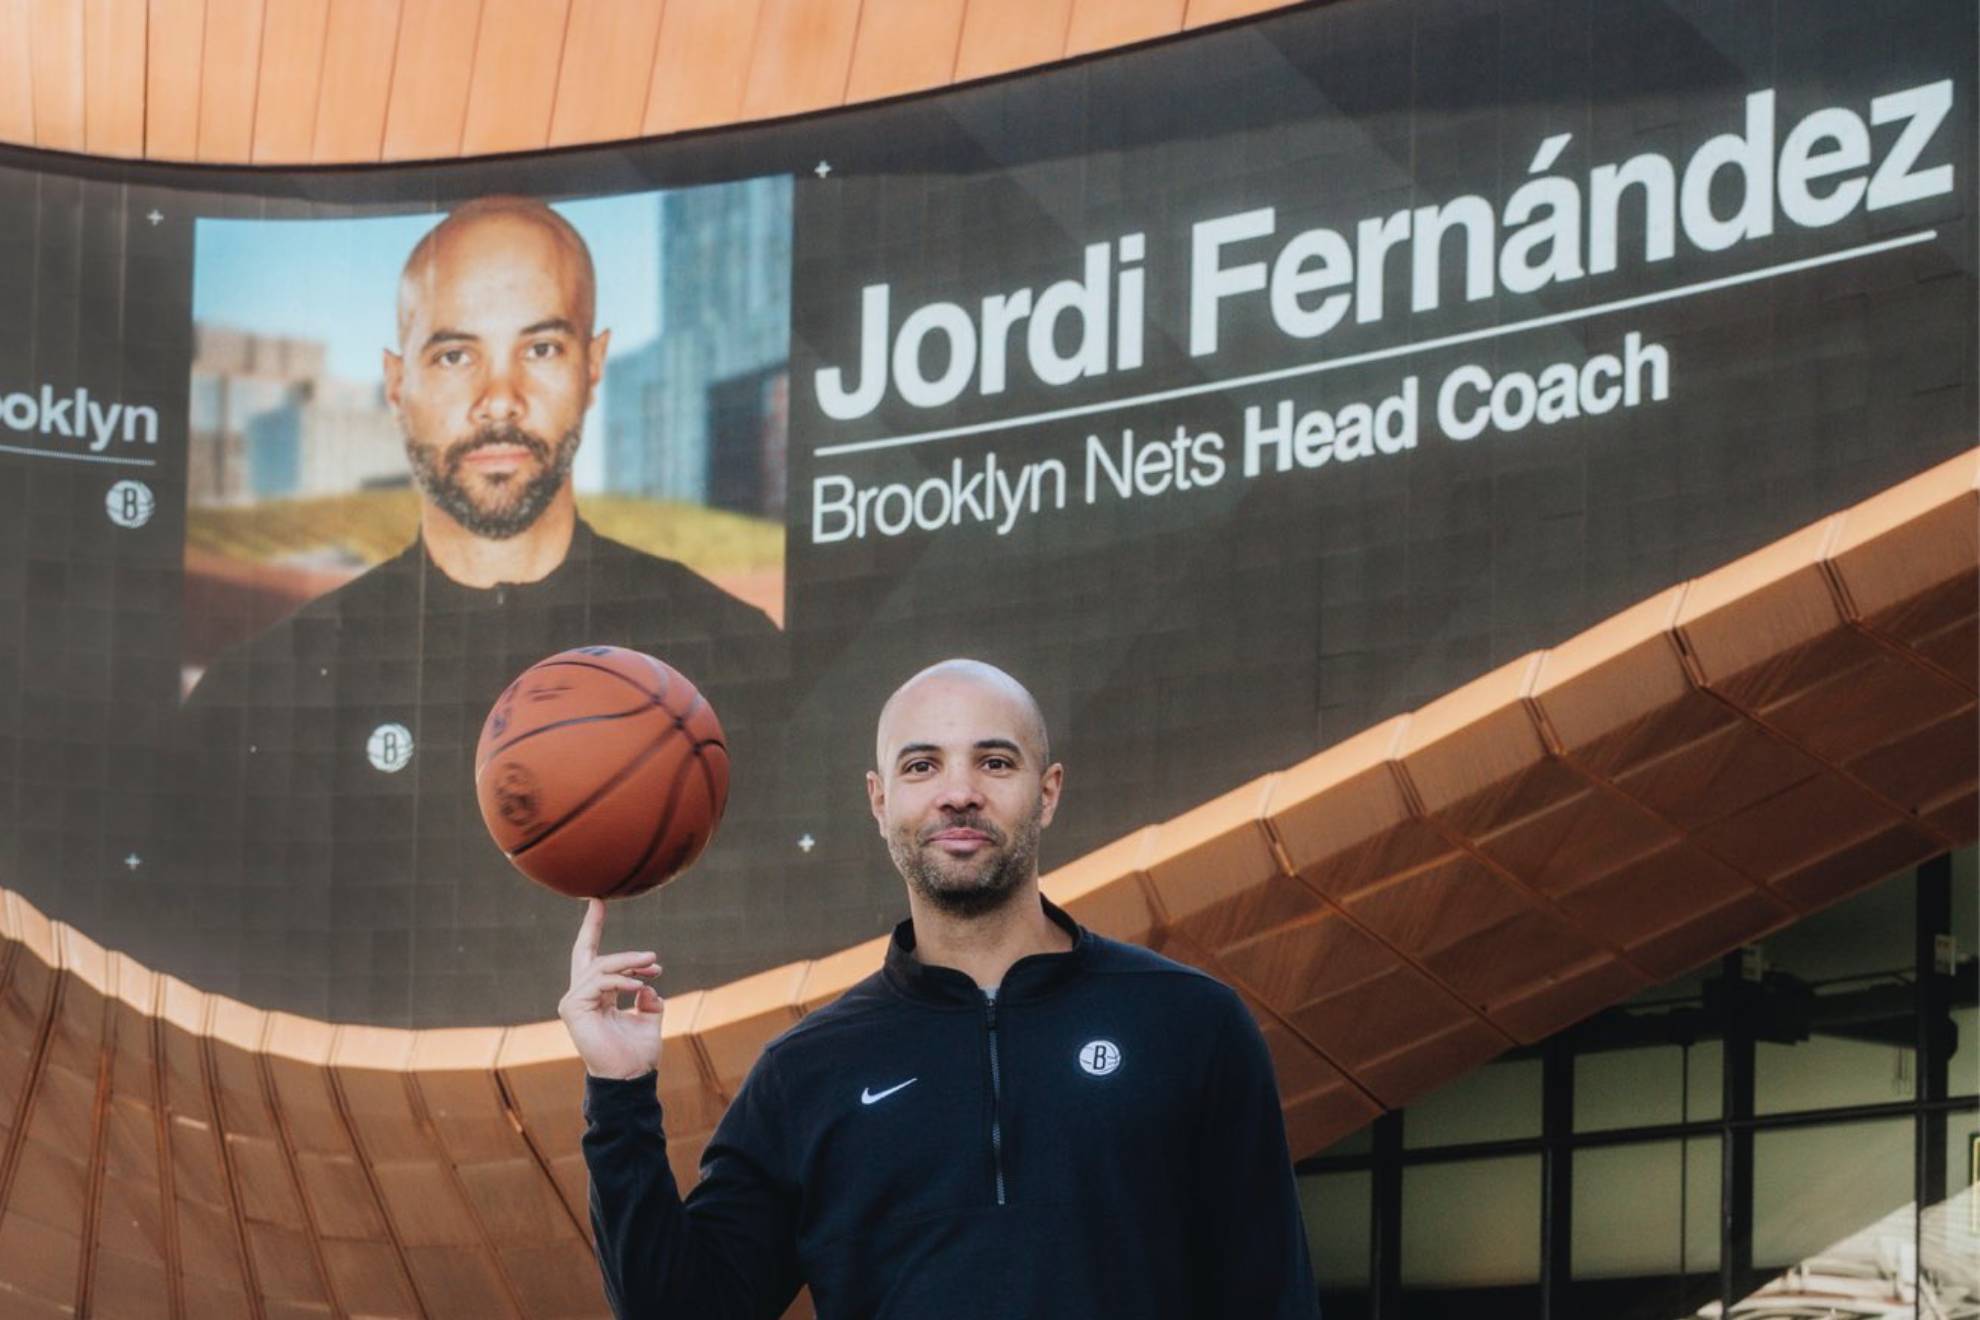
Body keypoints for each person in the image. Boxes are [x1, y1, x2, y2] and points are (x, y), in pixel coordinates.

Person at [163, 197, 785, 1024]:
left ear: (593, 363)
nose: (500, 398)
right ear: (397, 380)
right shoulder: (252, 696)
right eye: (456, 354)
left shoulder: (737, 656)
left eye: (541, 346)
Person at [567, 659, 1320, 1319]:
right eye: (922, 766)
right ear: (879, 799)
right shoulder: (808, 1070)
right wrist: (619, 1092)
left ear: (1048, 791)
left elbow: (1271, 1297)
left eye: (994, 762)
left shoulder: (1189, 1024)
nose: (958, 793)